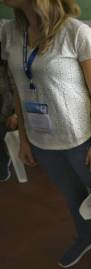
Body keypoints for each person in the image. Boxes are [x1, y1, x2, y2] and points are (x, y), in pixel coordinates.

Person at [0, 0, 91, 269]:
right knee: (71, 196)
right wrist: (24, 139)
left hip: (81, 140)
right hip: (42, 140)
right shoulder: (10, 32)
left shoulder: (77, 33)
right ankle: (86, 236)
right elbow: (19, 90)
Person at [0, 46, 17, 182]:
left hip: (7, 113)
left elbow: (21, 92)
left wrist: (16, 115)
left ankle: (2, 170)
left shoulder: (9, 68)